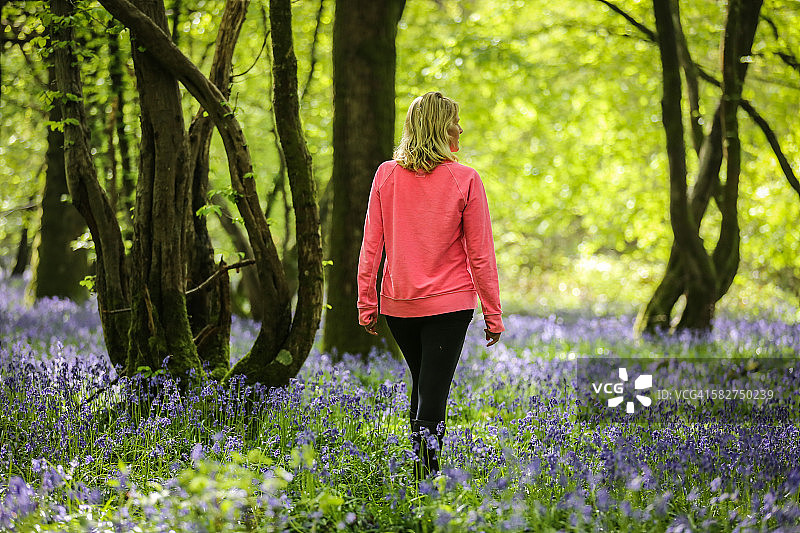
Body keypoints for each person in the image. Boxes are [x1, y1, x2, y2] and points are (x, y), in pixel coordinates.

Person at [356, 91, 505, 480]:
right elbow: (481, 254)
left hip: (398, 305)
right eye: (455, 120)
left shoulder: (386, 174)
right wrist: (493, 314)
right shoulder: (465, 179)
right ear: (443, 128)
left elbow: (372, 245)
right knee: (432, 396)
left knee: (423, 387)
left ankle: (419, 481)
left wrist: (367, 302)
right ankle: (427, 487)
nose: (461, 127)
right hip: (448, 307)